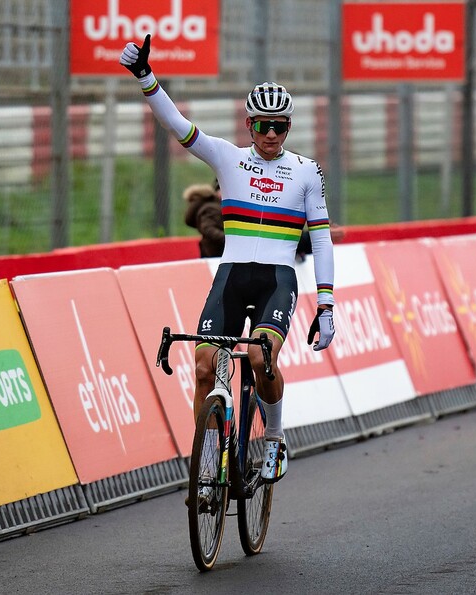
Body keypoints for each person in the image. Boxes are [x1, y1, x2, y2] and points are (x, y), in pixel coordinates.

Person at [121, 35, 336, 486]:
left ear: (289, 127)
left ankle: (274, 437)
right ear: (249, 124)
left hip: (277, 278)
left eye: (280, 126)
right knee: (202, 367)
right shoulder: (228, 159)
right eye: (263, 125)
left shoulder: (307, 171)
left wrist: (328, 304)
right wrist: (146, 78)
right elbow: (177, 124)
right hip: (231, 277)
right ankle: (209, 462)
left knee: (260, 359)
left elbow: (320, 239)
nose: (272, 134)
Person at [183, 179, 225, 258]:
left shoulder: (216, 206)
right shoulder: (211, 208)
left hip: (213, 251)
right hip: (214, 252)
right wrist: (228, 239)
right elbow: (208, 228)